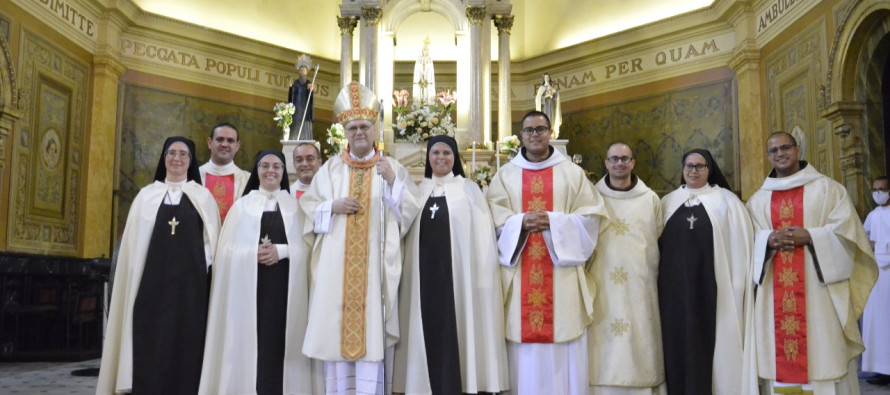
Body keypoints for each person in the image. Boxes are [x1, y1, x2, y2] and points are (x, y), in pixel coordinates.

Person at [300, 81, 421, 394]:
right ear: (345, 131)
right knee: (336, 343)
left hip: (375, 274)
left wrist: (393, 182)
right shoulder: (329, 170)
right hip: (336, 273)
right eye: (353, 127)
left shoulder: (390, 167)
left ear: (374, 127)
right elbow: (308, 210)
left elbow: (408, 214)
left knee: (373, 336)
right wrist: (332, 206)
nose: (359, 133)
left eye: (365, 126)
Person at [746, 132, 877, 395]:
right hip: (774, 292)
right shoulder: (758, 200)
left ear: (797, 149)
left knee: (823, 351)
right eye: (773, 150)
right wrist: (766, 240)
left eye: (785, 148)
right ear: (768, 156)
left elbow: (850, 235)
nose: (780, 154)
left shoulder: (828, 189)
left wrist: (813, 236)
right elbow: (746, 242)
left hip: (818, 293)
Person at [486, 110, 607, 395]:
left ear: (550, 132)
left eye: (540, 129)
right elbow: (491, 217)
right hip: (519, 276)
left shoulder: (572, 173)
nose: (535, 135)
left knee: (563, 345)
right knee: (522, 355)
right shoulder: (505, 175)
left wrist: (554, 223)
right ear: (521, 136)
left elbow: (591, 217)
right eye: (529, 130)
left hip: (561, 276)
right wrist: (520, 223)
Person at [97, 137, 220, 394]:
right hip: (150, 286)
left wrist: (199, 265)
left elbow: (212, 242)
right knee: (151, 338)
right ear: (164, 158)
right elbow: (133, 246)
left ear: (191, 160)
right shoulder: (145, 196)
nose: (177, 158)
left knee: (187, 339)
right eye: (171, 153)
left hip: (190, 289)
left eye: (183, 154)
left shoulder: (203, 197)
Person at [393, 135, 509, 395]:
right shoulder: (418, 190)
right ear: (428, 158)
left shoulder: (469, 190)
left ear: (455, 158)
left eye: (447, 153)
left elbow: (482, 240)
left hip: (459, 280)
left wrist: (482, 278)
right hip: (423, 281)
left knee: (460, 326)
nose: (441, 158)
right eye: (436, 153)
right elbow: (401, 229)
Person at [199, 151, 315, 394]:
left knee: (280, 345)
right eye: (264, 166)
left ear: (284, 172)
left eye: (276, 166)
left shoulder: (297, 207)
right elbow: (225, 254)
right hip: (249, 294)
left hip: (285, 293)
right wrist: (253, 252)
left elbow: (311, 250)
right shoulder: (241, 207)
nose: (270, 171)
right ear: (257, 170)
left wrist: (282, 251)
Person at [657, 149, 753, 394]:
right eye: (689, 166)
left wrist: (738, 284)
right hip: (673, 293)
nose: (693, 171)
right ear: (682, 169)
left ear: (710, 170)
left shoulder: (727, 202)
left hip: (714, 290)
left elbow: (741, 248)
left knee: (712, 346)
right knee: (676, 343)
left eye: (700, 166)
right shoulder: (667, 202)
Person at [588, 142, 666, 395]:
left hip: (640, 281)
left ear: (633, 163)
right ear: (606, 163)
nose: (619, 163)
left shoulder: (650, 199)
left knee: (639, 330)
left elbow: (659, 237)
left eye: (624, 158)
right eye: (614, 159)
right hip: (601, 280)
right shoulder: (592, 197)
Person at [862, 176, 890, 386]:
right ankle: (881, 368)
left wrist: (878, 247)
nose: (878, 193)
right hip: (877, 276)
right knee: (878, 322)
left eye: (881, 189)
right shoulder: (872, 215)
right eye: (875, 189)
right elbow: (864, 239)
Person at [200, 122, 250, 221]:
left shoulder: (247, 179)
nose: (224, 144)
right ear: (209, 143)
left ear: (237, 146)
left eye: (230, 141)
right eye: (219, 139)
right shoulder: (194, 176)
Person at [288, 54, 315, 140]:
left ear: (307, 72)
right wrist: (290, 87)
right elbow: (291, 97)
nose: (302, 71)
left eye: (304, 70)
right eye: (301, 70)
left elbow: (311, 98)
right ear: (299, 72)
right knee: (295, 125)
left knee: (305, 126)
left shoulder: (309, 83)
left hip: (305, 110)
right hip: (296, 108)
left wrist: (311, 89)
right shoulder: (295, 83)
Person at [534, 73, 561, 139]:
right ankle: (544, 132)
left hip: (551, 106)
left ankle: (552, 133)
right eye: (545, 77)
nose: (547, 78)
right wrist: (546, 96)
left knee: (552, 119)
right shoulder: (541, 88)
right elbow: (538, 99)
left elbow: (556, 98)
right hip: (545, 107)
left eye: (548, 77)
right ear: (544, 79)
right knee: (545, 119)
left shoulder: (552, 88)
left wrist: (553, 95)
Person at [412, 37, 436, 107]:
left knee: (427, 92)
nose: (425, 51)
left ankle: (427, 102)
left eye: (426, 50)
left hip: (427, 80)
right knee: (420, 92)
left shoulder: (430, 60)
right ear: (422, 50)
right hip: (420, 79)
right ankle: (419, 103)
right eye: (424, 50)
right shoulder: (419, 59)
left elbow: (431, 71)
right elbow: (417, 70)